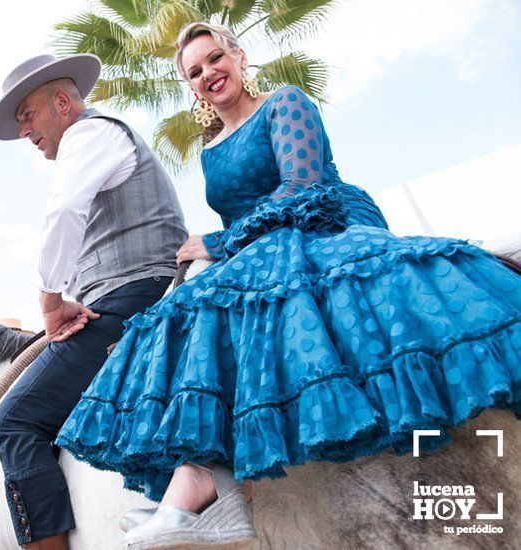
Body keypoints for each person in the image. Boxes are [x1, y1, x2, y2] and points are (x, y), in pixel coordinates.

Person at [55, 21, 521, 550]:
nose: (208, 74)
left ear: (239, 55)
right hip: (261, 248)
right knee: (187, 314)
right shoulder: (211, 150)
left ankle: (200, 481)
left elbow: (305, 186)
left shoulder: (285, 103)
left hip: (321, 223)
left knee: (219, 305)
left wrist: (219, 242)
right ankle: (199, 479)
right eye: (194, 72)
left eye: (214, 59)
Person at [0, 53, 189, 548]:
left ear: (62, 102)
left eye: (27, 115)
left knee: (15, 420)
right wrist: (76, 298)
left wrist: (51, 301)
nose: (25, 133)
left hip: (138, 300)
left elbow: (64, 211)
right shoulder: (99, 141)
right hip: (122, 295)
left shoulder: (90, 132)